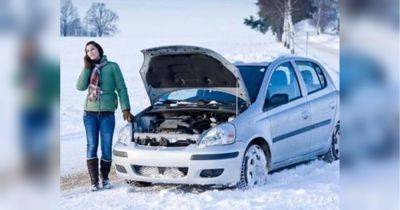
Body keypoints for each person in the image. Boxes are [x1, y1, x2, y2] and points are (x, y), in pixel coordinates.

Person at [76, 41, 133, 191]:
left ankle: (105, 179)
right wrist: (86, 68)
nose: (90, 52)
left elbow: (121, 88)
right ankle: (94, 182)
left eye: (92, 49)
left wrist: (125, 108)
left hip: (107, 113)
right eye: (87, 51)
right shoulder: (89, 68)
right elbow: (80, 87)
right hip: (90, 113)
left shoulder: (112, 67)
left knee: (106, 147)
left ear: (99, 49)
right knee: (92, 145)